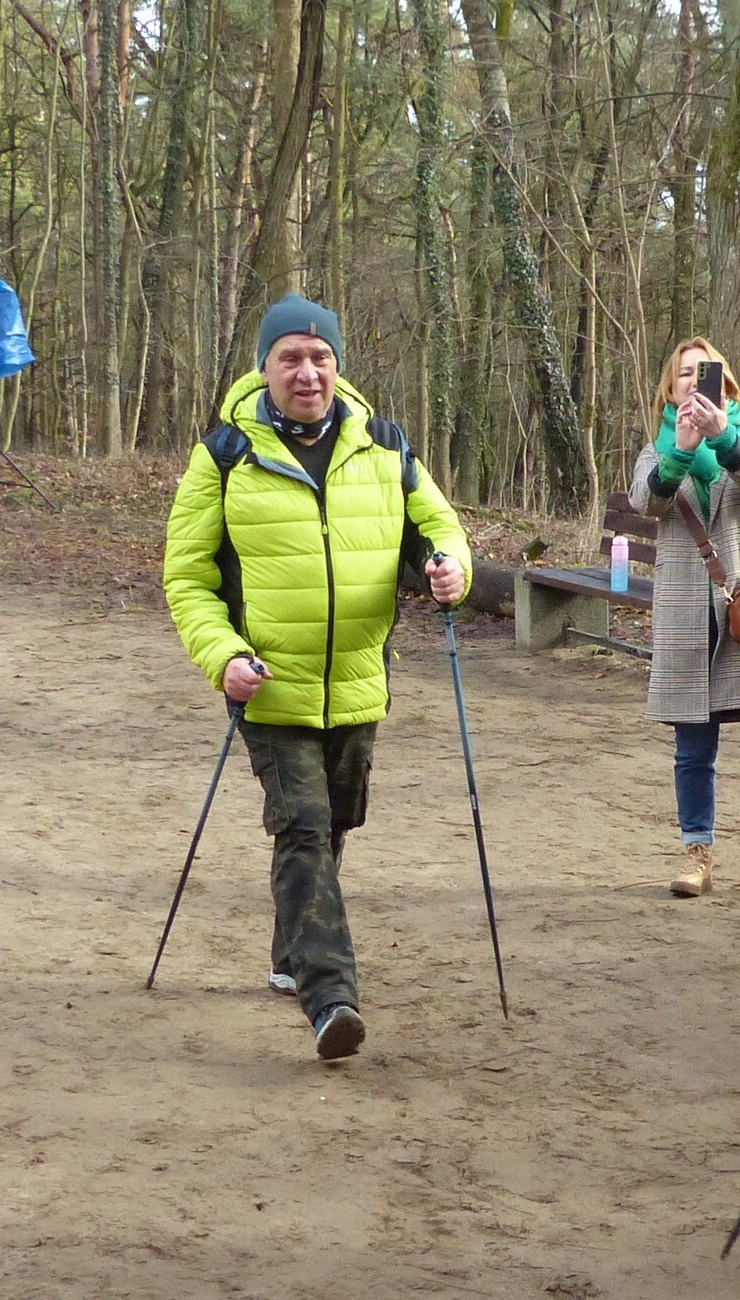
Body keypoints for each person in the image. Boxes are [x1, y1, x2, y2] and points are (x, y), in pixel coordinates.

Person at [163, 293, 471, 1061]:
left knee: (333, 824)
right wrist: (223, 656)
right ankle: (331, 997)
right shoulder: (226, 454)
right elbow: (187, 576)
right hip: (269, 683)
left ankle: (290, 951)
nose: (307, 372)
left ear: (337, 365)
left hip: (359, 681)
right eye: (290, 358)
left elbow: (437, 527)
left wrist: (449, 569)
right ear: (264, 368)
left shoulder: (385, 445)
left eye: (319, 357)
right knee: (301, 825)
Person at [629, 338, 740, 899]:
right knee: (692, 750)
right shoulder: (657, 449)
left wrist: (723, 438)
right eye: (683, 374)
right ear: (670, 388)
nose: (693, 381)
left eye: (703, 372)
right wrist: (680, 453)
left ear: (725, 384)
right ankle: (697, 853)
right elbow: (645, 503)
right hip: (688, 611)